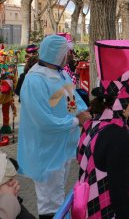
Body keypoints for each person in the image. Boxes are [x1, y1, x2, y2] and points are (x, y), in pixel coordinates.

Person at [17, 34, 90, 219]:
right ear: (56, 54)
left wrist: (81, 112)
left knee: (57, 198)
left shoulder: (59, 73)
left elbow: (67, 99)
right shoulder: (35, 80)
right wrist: (75, 120)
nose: (69, 56)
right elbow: (42, 120)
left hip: (60, 148)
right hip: (46, 151)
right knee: (50, 203)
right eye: (66, 52)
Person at [78, 60, 129, 218]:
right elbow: (119, 193)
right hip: (108, 212)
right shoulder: (117, 134)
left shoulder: (94, 125)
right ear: (122, 102)